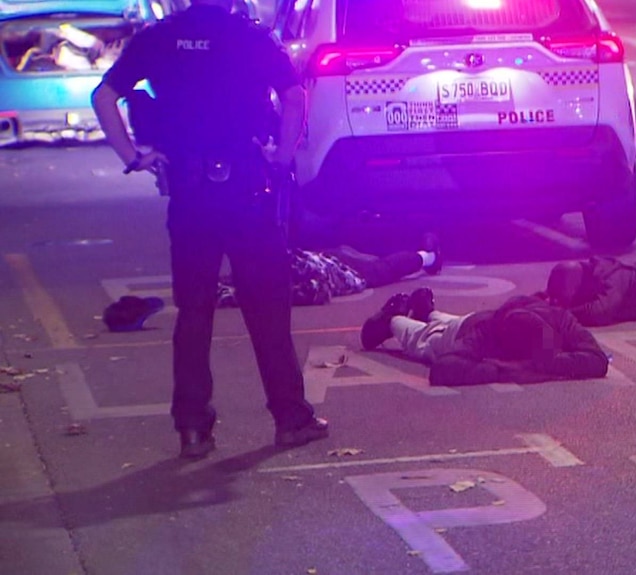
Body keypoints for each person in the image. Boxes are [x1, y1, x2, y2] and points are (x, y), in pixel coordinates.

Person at [91, 0, 327, 459]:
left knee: (194, 311)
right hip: (247, 191)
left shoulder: (159, 37)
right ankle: (290, 418)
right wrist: (281, 156)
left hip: (189, 192)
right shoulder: (252, 36)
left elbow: (104, 96)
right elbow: (294, 96)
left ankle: (193, 427)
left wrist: (133, 157)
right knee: (267, 310)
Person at [360, 289, 609, 386]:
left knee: (449, 322)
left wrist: (542, 365)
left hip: (476, 318)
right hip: (462, 331)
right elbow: (443, 369)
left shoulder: (560, 319)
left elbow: (598, 360)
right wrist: (498, 370)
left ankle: (428, 312)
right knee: (423, 340)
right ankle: (392, 319)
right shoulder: (489, 333)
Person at [217, 234, 442, 307]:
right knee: (381, 264)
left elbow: (319, 288)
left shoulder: (285, 271)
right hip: (333, 262)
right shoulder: (263, 272)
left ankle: (429, 256)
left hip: (340, 267)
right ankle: (428, 255)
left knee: (383, 268)